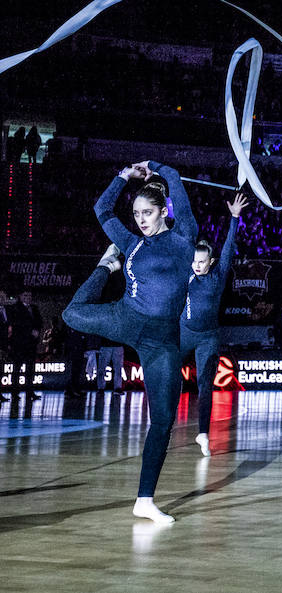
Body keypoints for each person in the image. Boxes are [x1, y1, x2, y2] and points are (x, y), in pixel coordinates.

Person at [62, 159, 197, 524]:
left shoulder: (184, 236)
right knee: (71, 315)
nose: (140, 219)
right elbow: (102, 209)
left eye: (147, 212)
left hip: (161, 340)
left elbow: (173, 178)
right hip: (127, 318)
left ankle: (144, 500)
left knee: (164, 420)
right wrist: (124, 176)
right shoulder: (132, 243)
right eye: (136, 213)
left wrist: (153, 167)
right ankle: (106, 267)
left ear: (164, 210)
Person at [181, 193, 247, 457]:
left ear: (210, 262)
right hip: (183, 333)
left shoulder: (218, 277)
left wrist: (234, 218)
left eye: (201, 262)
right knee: (166, 372)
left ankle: (203, 434)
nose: (197, 266)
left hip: (208, 338)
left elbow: (229, 247)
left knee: (205, 386)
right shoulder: (186, 274)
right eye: (194, 262)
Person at [8, 289, 42, 400]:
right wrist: (30, 331)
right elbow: (17, 324)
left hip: (31, 344)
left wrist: (36, 330)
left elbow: (39, 322)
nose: (28, 297)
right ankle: (14, 392)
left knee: (30, 369)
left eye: (30, 295)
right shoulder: (15, 308)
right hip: (19, 344)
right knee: (17, 369)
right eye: (26, 295)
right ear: (20, 296)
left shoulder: (34, 308)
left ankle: (29, 392)